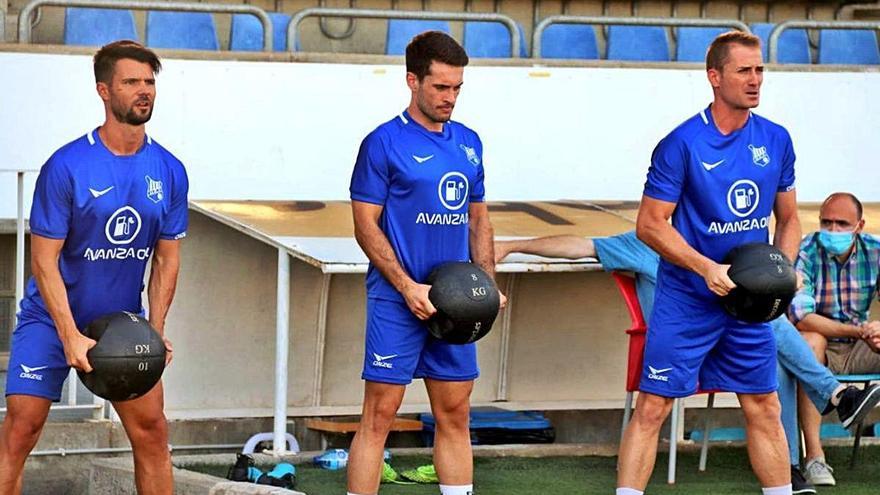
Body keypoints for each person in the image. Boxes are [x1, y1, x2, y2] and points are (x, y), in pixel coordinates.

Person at [496, 231, 880, 494]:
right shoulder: (648, 242)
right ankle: (836, 395)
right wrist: (515, 245)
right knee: (771, 327)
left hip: (732, 348)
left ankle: (794, 468)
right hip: (680, 353)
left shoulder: (729, 245)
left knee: (767, 332)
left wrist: (788, 275)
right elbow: (581, 245)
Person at [615, 30, 802, 495]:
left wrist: (783, 269)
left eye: (760, 70)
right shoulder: (681, 143)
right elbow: (650, 225)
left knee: (764, 404)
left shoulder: (776, 139)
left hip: (748, 305)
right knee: (653, 407)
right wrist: (705, 269)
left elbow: (791, 218)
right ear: (714, 77)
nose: (755, 80)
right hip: (688, 299)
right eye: (744, 71)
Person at [0, 41, 188, 494]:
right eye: (131, 82)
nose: (144, 91)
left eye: (149, 82)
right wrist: (67, 334)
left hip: (122, 329)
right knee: (20, 431)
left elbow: (167, 257)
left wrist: (155, 330)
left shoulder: (169, 170)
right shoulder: (66, 166)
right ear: (104, 91)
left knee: (153, 435)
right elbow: (43, 259)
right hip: (50, 321)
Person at [347, 31, 502, 495]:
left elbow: (479, 222)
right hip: (399, 299)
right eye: (440, 87)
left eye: (456, 88)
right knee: (379, 416)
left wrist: (487, 285)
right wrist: (406, 286)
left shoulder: (469, 143)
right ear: (412, 81)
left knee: (455, 413)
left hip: (458, 303)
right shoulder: (382, 143)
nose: (449, 97)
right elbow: (365, 226)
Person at [789, 192, 880, 487]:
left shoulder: (875, 250)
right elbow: (802, 315)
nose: (833, 230)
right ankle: (815, 457)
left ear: (859, 225)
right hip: (823, 345)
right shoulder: (806, 250)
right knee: (809, 342)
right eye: (827, 222)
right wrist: (861, 331)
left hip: (862, 345)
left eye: (842, 223)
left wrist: (876, 330)